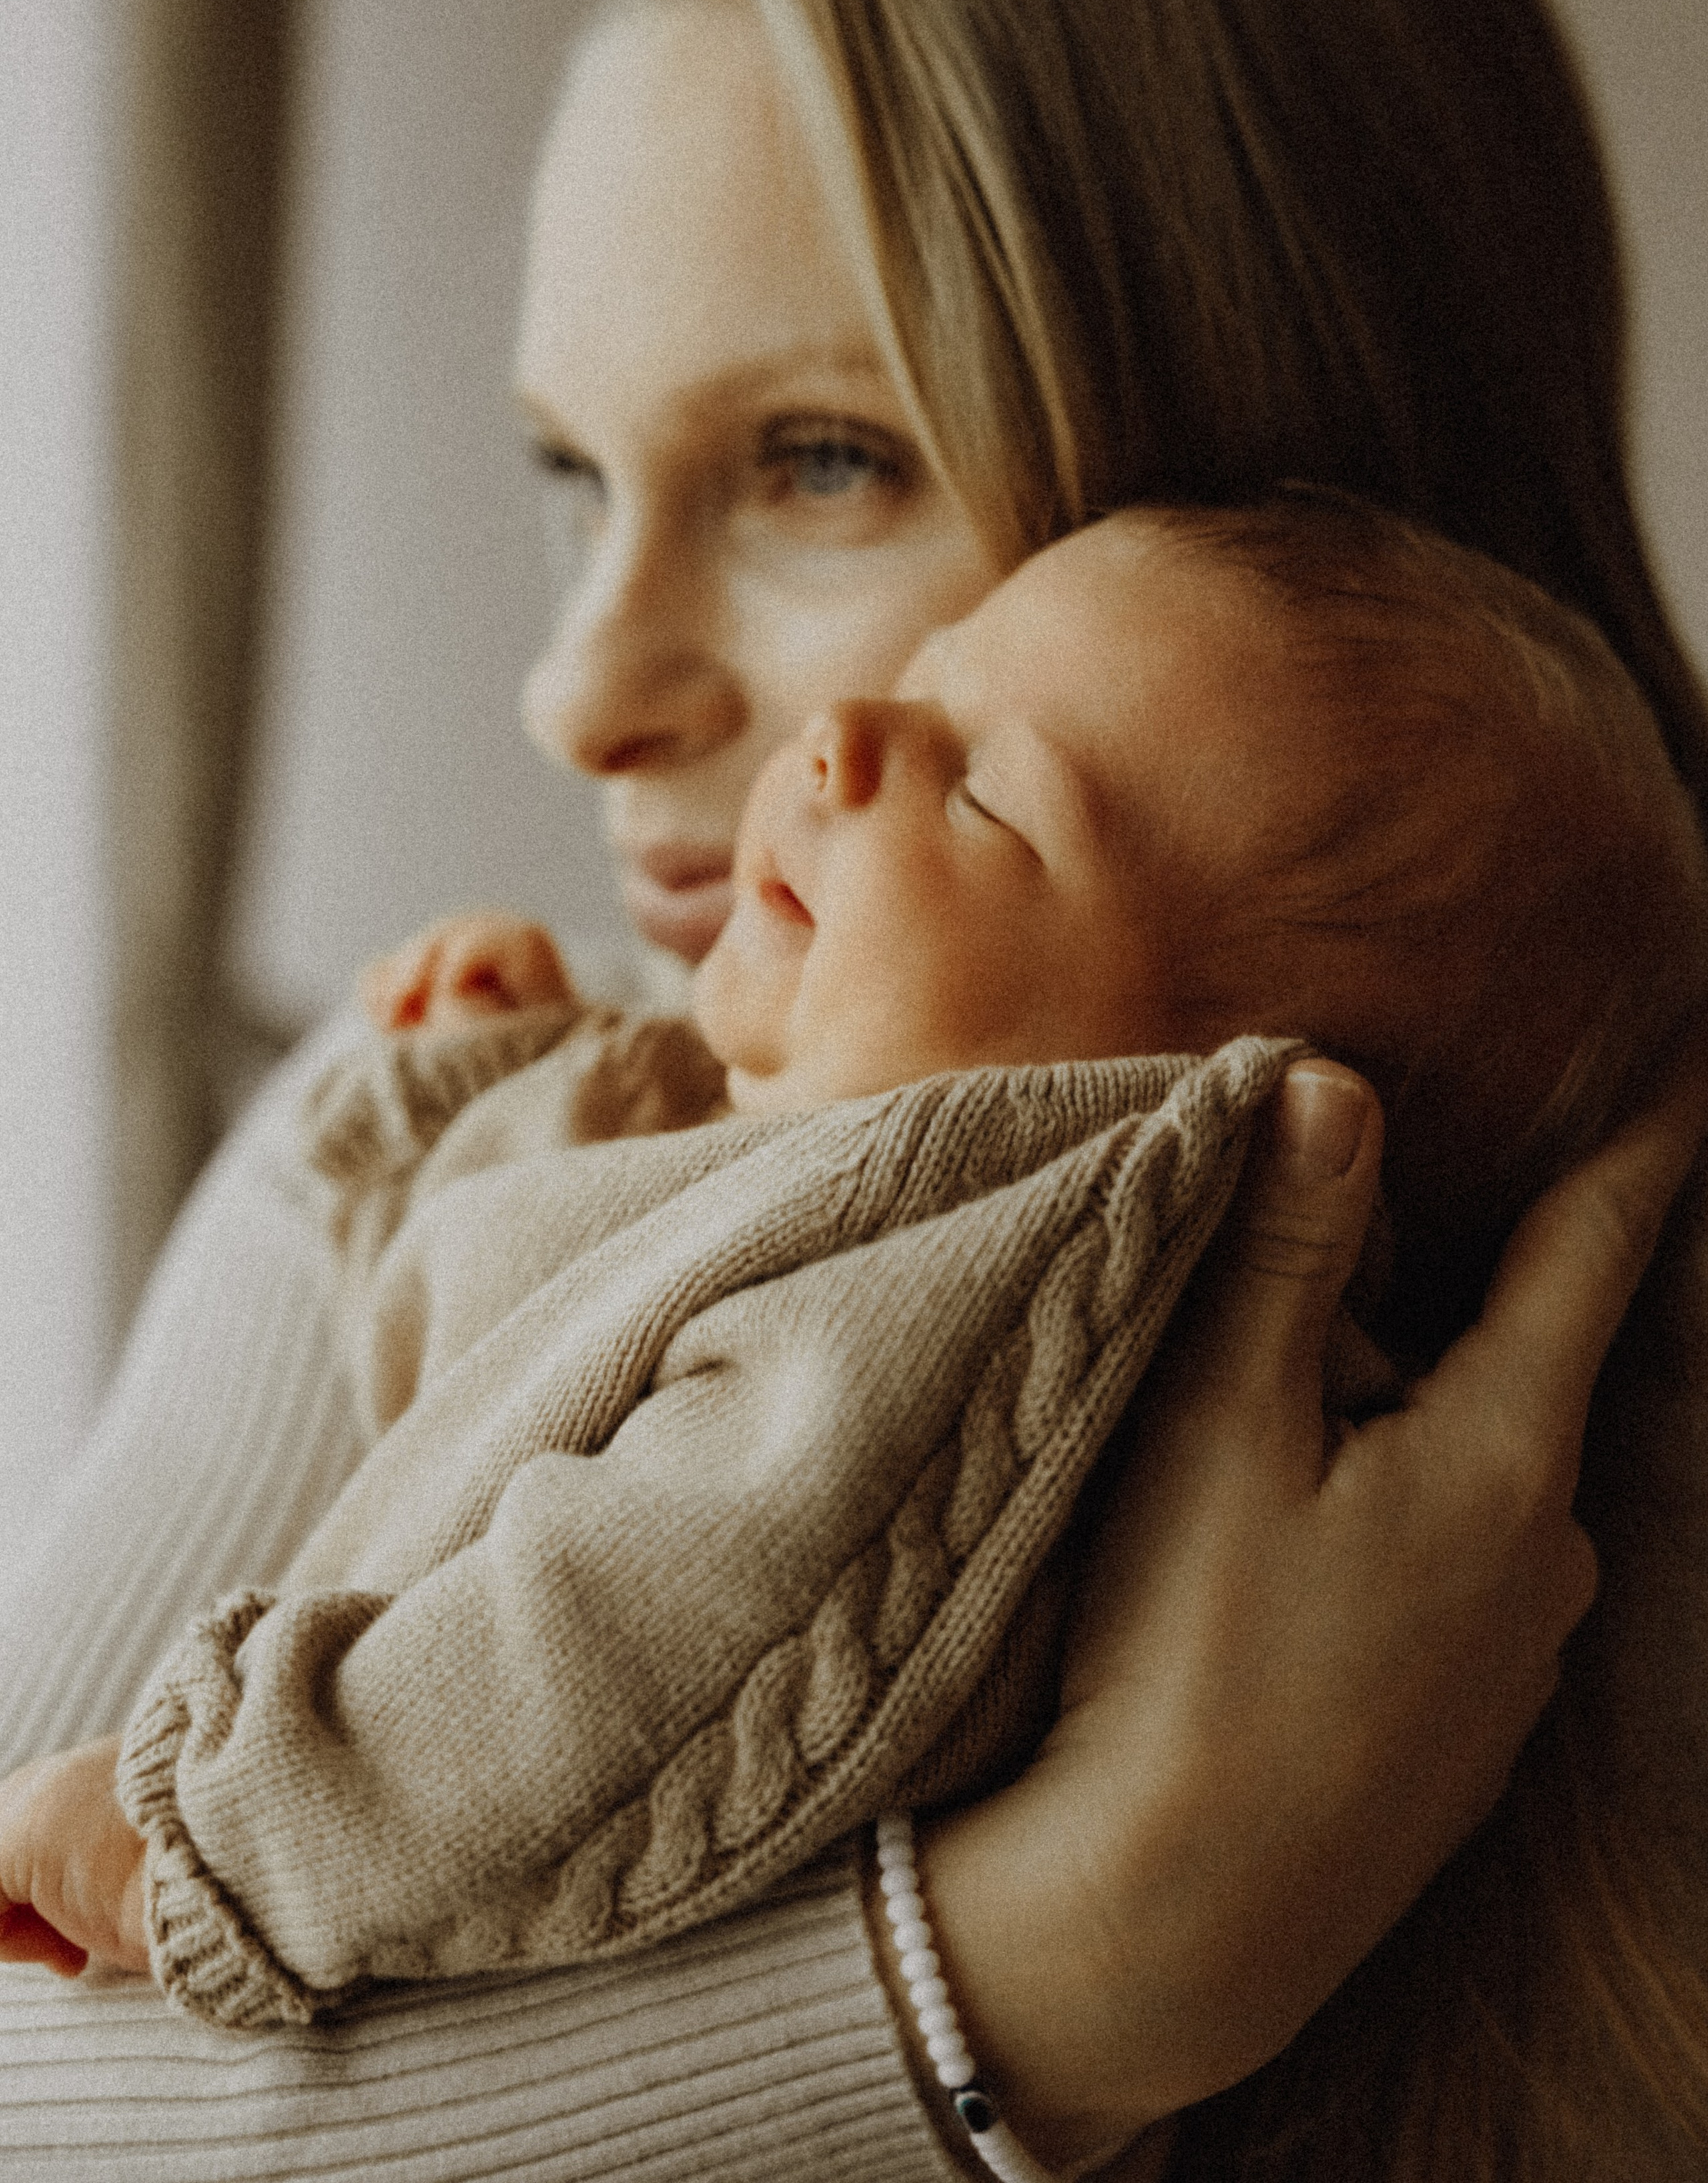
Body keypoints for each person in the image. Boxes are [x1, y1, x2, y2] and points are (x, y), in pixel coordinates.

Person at [3, 0, 1707, 2182]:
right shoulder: (449, 1123)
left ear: (1292, 538)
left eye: (818, 461)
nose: (579, 700)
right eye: (574, 476)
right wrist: (1032, 1975)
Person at [7, 497, 1708, 2144]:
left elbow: (624, 1637)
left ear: (1190, 1126)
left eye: (985, 795)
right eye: (935, 680)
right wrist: (506, 1097)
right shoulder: (810, 1159)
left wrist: (225, 1844)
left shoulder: (970, 1271)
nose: (842, 735)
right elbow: (485, 1388)